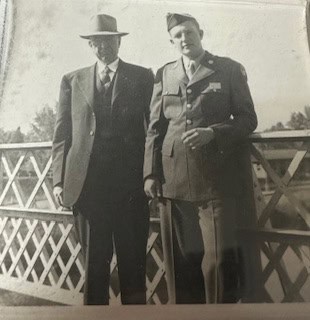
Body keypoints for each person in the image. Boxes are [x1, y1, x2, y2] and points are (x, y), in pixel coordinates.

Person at [144, 13, 257, 304]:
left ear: (201, 33)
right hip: (173, 180)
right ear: (172, 41)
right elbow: (155, 129)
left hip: (215, 180)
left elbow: (247, 119)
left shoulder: (228, 69)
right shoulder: (165, 74)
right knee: (180, 264)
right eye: (178, 35)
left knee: (218, 260)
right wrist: (150, 174)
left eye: (189, 33)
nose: (184, 39)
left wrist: (213, 132)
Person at [52, 13, 154, 305]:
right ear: (90, 46)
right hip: (88, 190)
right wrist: (59, 181)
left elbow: (152, 131)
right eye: (96, 42)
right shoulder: (73, 80)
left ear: (118, 42)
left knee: (133, 265)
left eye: (108, 41)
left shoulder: (142, 77)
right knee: (94, 266)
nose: (103, 47)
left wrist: (150, 174)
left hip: (131, 190)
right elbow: (62, 135)